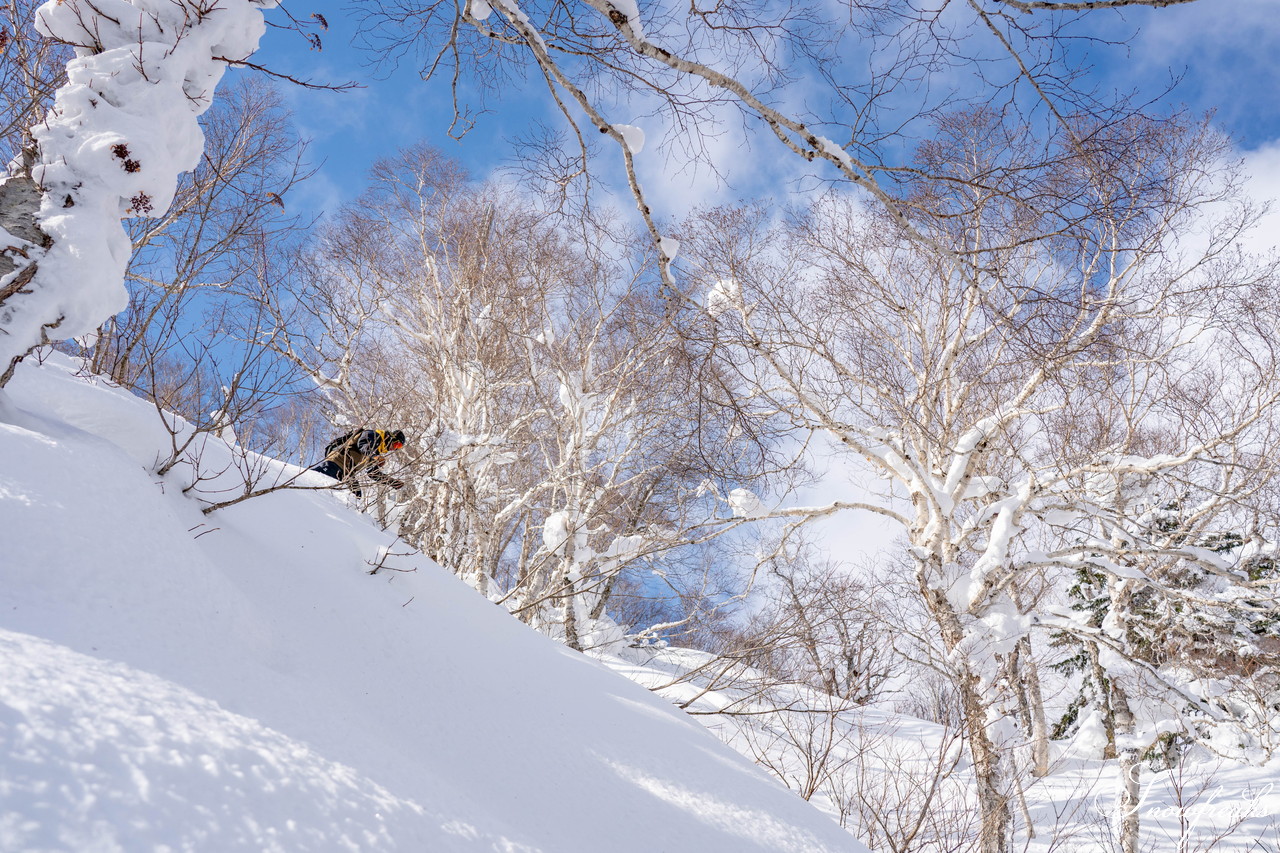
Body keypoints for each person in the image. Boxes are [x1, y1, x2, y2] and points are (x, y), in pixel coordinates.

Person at [309, 429, 407, 497]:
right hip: (336, 462)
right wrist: (374, 456)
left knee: (356, 495)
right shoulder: (372, 435)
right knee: (311, 478)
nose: (393, 449)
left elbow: (373, 473)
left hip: (347, 473)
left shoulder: (376, 451)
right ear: (391, 438)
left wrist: (393, 483)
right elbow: (364, 445)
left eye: (397, 448)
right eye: (396, 444)